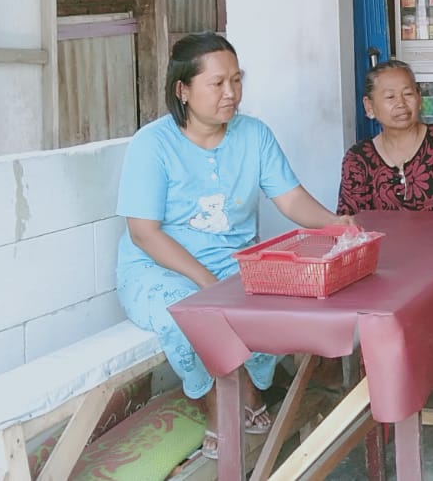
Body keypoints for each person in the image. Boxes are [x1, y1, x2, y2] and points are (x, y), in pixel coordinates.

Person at [115, 33, 349, 460]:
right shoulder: (153, 144)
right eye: (218, 83)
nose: (231, 93)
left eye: (237, 81)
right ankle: (220, 408)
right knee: (191, 312)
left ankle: (252, 389)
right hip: (158, 268)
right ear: (182, 90)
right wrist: (205, 281)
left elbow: (291, 198)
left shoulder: (253, 134)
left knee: (279, 299)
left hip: (232, 262)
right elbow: (144, 233)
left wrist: (335, 224)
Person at [337, 59, 433, 215]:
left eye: (408, 94)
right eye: (390, 97)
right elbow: (348, 221)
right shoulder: (358, 159)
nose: (401, 103)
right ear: (369, 106)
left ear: (419, 98)